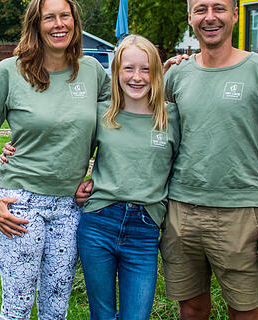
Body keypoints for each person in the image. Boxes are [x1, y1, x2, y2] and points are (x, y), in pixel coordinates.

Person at [0, 0, 110, 320]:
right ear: (36, 24)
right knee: (17, 308)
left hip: (70, 208)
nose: (59, 24)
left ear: (75, 21)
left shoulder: (92, 72)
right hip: (21, 204)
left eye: (65, 16)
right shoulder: (9, 72)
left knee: (56, 308)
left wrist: (171, 71)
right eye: (49, 17)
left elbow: (120, 126)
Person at [159, 0, 258, 320]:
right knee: (191, 307)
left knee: (245, 310)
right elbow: (152, 135)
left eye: (219, 8)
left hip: (239, 212)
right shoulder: (178, 75)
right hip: (181, 210)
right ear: (190, 19)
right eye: (200, 10)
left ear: (235, 15)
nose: (210, 17)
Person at [75, 34, 179, 320]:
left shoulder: (171, 118)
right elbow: (66, 149)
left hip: (144, 229)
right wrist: (14, 148)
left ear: (157, 73)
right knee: (103, 315)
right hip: (99, 222)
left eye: (145, 69)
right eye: (129, 69)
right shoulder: (101, 114)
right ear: (116, 72)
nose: (137, 77)